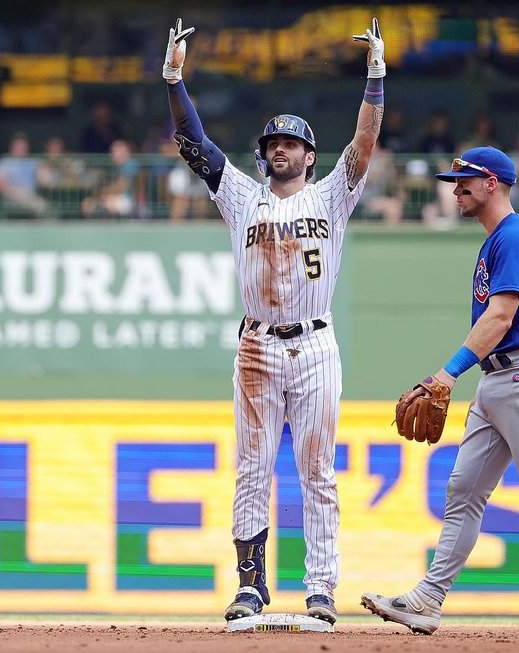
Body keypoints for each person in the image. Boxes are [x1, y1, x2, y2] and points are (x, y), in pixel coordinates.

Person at [163, 16, 385, 624]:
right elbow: (196, 146)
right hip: (259, 343)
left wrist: (374, 78)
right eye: (271, 143)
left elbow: (363, 147)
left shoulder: (332, 194)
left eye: (289, 142)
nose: (278, 148)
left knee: (318, 470)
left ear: (309, 156)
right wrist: (175, 82)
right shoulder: (243, 196)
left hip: (315, 341)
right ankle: (252, 586)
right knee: (253, 466)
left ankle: (320, 589)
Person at [361, 146, 519, 638]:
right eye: (455, 182)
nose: (456, 189)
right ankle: (428, 600)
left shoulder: (513, 236)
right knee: (465, 490)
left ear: (492, 183)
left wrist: (446, 374)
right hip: (501, 380)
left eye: (464, 181)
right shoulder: (499, 239)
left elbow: (501, 316)